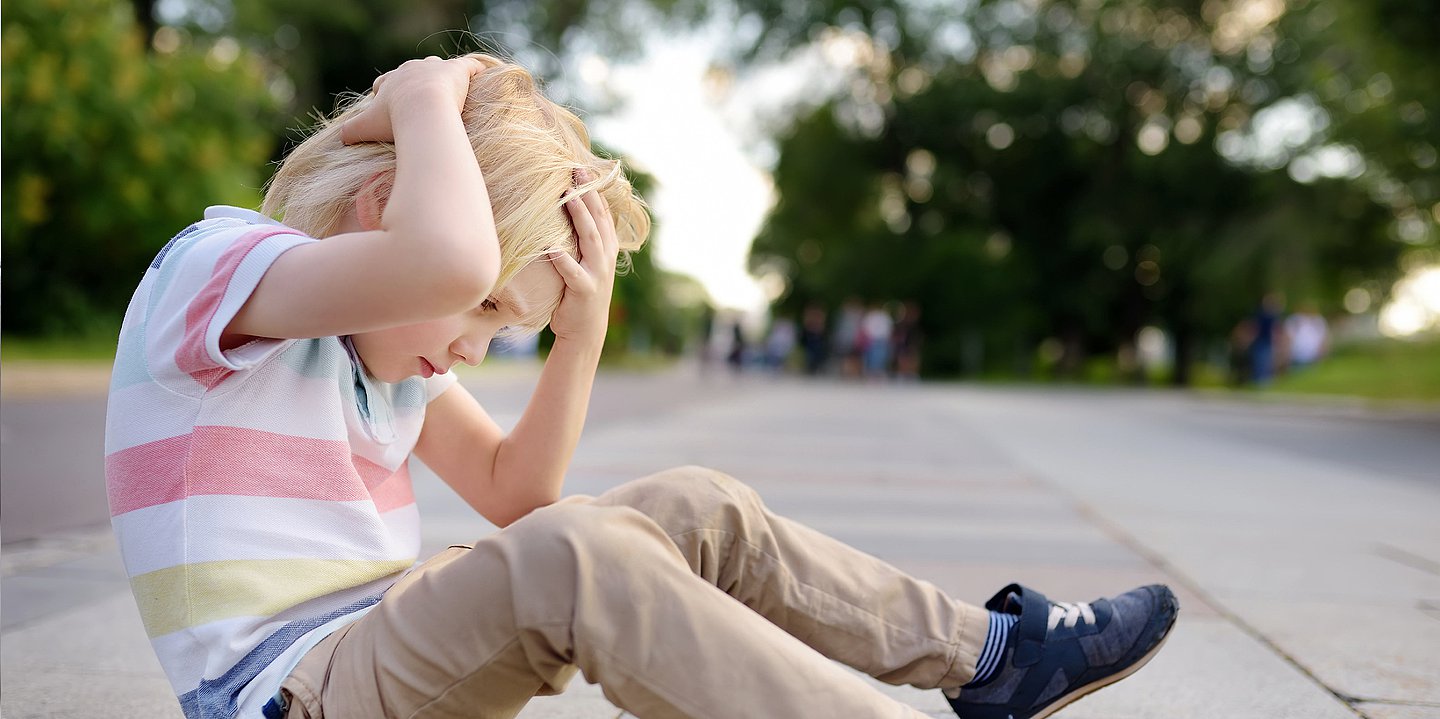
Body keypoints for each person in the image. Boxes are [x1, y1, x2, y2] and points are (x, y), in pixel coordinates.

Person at [104, 53, 1178, 719]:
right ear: (384, 206)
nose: (479, 343)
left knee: (692, 504)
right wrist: (428, 97)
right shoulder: (215, 273)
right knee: (579, 552)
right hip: (292, 693)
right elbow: (441, 267)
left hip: (386, 649)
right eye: (487, 310)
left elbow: (518, 490)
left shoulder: (377, 361)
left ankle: (992, 657)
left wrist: (579, 334)